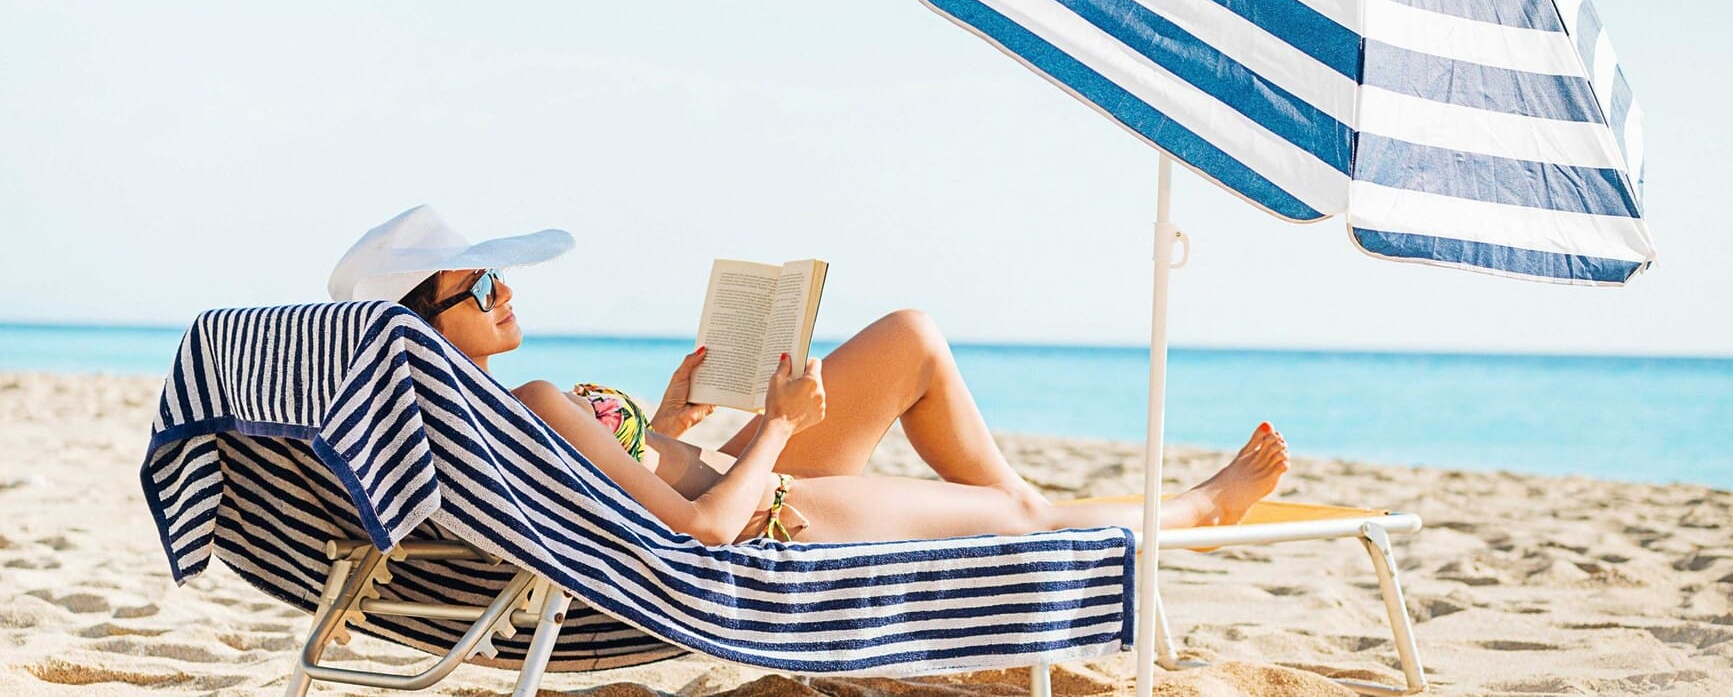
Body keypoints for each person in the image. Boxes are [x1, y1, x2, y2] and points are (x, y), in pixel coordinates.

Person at [330, 206, 1290, 546]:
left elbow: (635, 484)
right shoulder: (527, 403)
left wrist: (671, 416)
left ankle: (1034, 517)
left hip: (738, 474)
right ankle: (1199, 510)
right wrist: (783, 424)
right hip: (777, 510)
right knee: (1021, 521)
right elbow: (703, 526)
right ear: (425, 329)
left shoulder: (498, 415)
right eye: (480, 285)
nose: (505, 293)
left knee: (911, 336)